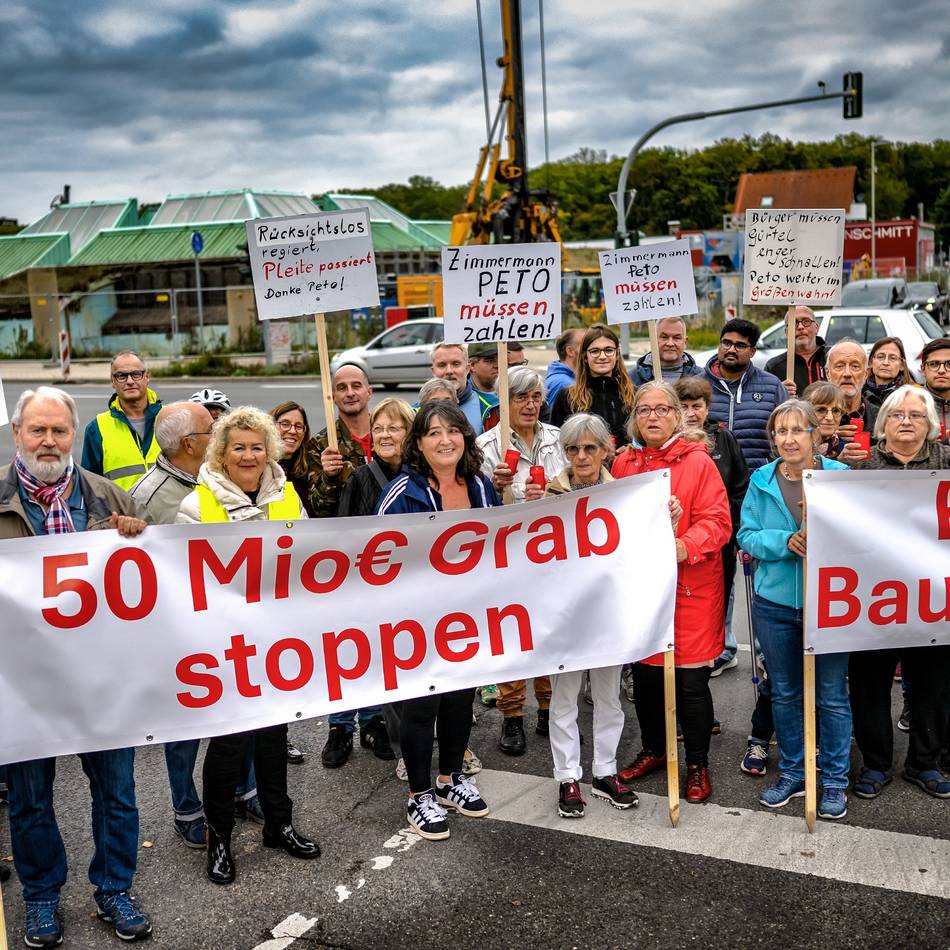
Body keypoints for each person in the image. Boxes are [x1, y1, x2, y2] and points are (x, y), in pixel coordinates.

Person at [1, 386, 153, 945]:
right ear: (17, 434)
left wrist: (136, 539)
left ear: (73, 434)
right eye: (37, 430)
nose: (48, 441)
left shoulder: (110, 496)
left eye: (58, 431)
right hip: (22, 684)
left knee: (116, 790)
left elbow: (148, 586)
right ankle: (41, 897)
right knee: (30, 797)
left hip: (101, 678)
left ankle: (115, 887)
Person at [176, 406, 320, 884]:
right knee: (229, 744)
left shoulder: (287, 495)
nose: (248, 454)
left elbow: (306, 560)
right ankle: (219, 840)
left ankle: (279, 824)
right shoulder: (198, 505)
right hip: (226, 644)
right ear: (221, 450)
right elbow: (184, 576)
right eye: (238, 446)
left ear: (269, 451)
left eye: (257, 446)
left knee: (275, 736)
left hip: (277, 639)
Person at [377, 401, 498, 840]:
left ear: (465, 437)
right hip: (416, 619)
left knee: (459, 700)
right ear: (419, 444)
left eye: (452, 430)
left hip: (467, 616)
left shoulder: (482, 487)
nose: (444, 440)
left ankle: (450, 780)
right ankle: (418, 794)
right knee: (421, 704)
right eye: (433, 433)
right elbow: (377, 556)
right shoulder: (403, 492)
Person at [613, 382, 731, 804]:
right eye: (644, 409)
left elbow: (718, 522)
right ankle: (655, 749)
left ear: (677, 416)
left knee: (690, 683)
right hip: (642, 590)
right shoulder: (624, 463)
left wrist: (682, 546)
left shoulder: (698, 462)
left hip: (690, 588)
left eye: (662, 409)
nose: (652, 416)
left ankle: (696, 762)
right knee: (645, 680)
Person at [737, 399, 851, 820]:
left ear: (814, 434)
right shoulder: (761, 479)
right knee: (785, 693)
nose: (787, 439)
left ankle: (835, 780)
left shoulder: (839, 477)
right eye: (779, 431)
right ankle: (794, 772)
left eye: (796, 430)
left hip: (830, 603)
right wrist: (784, 543)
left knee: (832, 695)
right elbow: (746, 536)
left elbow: (858, 534)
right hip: (776, 604)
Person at [848, 385, 950, 799]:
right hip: (874, 600)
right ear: (882, 423)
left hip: (932, 599)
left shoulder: (947, 465)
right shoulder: (859, 470)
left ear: (931, 426)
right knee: (869, 683)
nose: (906, 421)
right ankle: (875, 763)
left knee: (934, 683)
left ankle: (924, 763)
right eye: (896, 414)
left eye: (916, 415)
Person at [129, 401, 219, 847]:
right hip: (176, 632)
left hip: (219, 623)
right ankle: (187, 807)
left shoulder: (215, 478)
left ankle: (243, 791)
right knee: (183, 727)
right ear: (189, 444)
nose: (216, 434)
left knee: (234, 717)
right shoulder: (147, 499)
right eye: (209, 431)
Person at [544, 413, 639, 816]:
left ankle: (604, 770)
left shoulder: (624, 495)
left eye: (589, 448)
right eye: (572, 448)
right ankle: (567, 776)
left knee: (608, 696)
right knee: (564, 696)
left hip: (606, 613)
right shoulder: (548, 495)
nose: (581, 456)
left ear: (605, 450)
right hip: (565, 613)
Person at [477, 367, 567, 755]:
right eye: (521, 397)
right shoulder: (485, 446)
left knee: (549, 630)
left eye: (536, 397)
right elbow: (476, 505)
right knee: (511, 634)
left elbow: (573, 490)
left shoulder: (558, 438)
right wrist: (495, 488)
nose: (530, 404)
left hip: (549, 553)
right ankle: (512, 715)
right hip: (506, 555)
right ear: (504, 402)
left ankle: (548, 708)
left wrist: (549, 491)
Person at [675, 377, 749, 679]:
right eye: (684, 406)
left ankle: (720, 647)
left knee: (723, 592)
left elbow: (739, 485)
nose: (691, 413)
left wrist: (729, 522)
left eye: (698, 406)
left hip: (719, 535)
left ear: (707, 408)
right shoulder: (670, 442)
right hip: (680, 539)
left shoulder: (723, 438)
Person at [703, 318, 788, 471]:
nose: (731, 349)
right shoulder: (697, 385)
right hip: (708, 480)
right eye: (726, 343)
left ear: (753, 351)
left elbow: (787, 432)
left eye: (740, 345)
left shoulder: (772, 386)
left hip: (757, 482)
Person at [81, 350, 161, 491]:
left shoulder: (169, 418)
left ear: (147, 377)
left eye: (136, 374)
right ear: (113, 381)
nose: (130, 381)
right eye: (121, 376)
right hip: (120, 512)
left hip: (167, 513)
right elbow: (89, 488)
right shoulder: (97, 428)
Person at [550, 324, 636, 447]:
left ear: (617, 355)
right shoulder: (567, 397)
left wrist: (631, 448)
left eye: (608, 350)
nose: (602, 356)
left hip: (627, 465)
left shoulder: (634, 395)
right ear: (585, 357)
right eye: (595, 351)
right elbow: (557, 443)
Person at [309, 365, 373, 518]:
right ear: (333, 397)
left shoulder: (390, 433)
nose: (350, 393)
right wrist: (329, 478)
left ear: (369, 392)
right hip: (348, 534)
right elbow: (320, 510)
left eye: (356, 386)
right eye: (342, 388)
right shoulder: (321, 445)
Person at [431, 342, 497, 434]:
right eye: (442, 365)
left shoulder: (493, 407)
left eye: (456, 364)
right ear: (433, 371)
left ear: (467, 368)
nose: (449, 371)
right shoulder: (416, 411)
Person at [764, 306, 828, 396]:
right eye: (794, 323)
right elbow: (764, 401)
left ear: (816, 328)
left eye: (806, 321)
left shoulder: (833, 357)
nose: (800, 327)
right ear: (786, 332)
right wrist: (778, 393)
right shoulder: (774, 367)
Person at [270, 400, 318, 518]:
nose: (292, 431)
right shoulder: (258, 469)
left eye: (298, 426)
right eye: (285, 424)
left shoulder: (311, 468)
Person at [825, 339, 879, 440]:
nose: (847, 374)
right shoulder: (811, 417)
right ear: (828, 373)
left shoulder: (881, 418)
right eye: (839, 366)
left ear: (866, 374)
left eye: (855, 366)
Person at [629, 316, 704, 385]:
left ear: (685, 342)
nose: (670, 343)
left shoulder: (702, 378)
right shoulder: (631, 379)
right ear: (653, 339)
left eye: (676, 338)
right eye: (664, 337)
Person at [863, 336, 913, 412]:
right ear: (870, 362)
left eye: (892, 358)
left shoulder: (912, 395)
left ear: (902, 365)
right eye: (880, 357)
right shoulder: (859, 393)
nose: (885, 363)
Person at [545, 327, 585, 407]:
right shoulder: (563, 384)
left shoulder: (565, 379)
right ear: (570, 351)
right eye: (585, 345)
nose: (591, 349)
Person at [921, 337, 950, 444]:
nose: (942, 370)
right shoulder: (906, 405)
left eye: (949, 364)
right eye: (934, 364)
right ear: (923, 369)